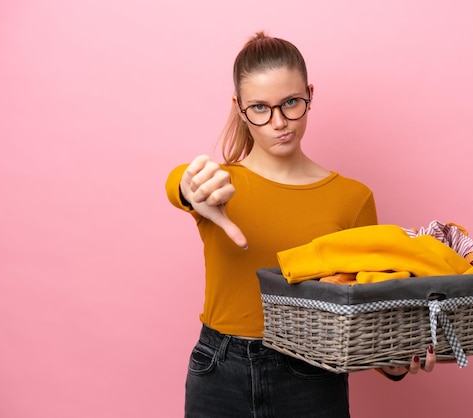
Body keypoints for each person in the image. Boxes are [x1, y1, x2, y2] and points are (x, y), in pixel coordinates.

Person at [166, 31, 436, 418]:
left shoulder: (352, 198)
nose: (279, 122)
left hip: (311, 373)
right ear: (239, 107)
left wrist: (390, 363)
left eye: (291, 102)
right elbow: (178, 182)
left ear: (310, 93)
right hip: (219, 370)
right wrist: (188, 186)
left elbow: (365, 304)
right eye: (260, 108)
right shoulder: (218, 186)